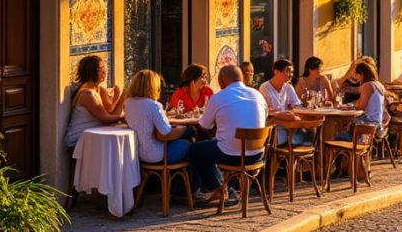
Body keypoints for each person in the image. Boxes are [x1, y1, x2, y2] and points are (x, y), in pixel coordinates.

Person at [191, 64, 267, 206]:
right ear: (242, 78)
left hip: (231, 155)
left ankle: (219, 188)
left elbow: (204, 125)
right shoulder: (258, 95)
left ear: (221, 81)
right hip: (257, 155)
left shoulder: (219, 97)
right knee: (214, 146)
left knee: (196, 150)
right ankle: (224, 188)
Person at [125, 69, 197, 188]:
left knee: (187, 142)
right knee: (190, 143)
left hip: (139, 153)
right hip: (156, 154)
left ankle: (176, 187)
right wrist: (184, 129)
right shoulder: (153, 105)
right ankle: (190, 189)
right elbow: (166, 132)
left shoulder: (128, 103)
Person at [65, 55, 125, 147]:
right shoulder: (87, 94)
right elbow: (105, 118)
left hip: (92, 137)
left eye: (105, 68)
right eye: (101, 69)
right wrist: (122, 117)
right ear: (91, 71)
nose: (105, 72)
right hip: (78, 140)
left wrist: (119, 97)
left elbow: (110, 111)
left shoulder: (98, 89)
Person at [259, 58, 309, 146]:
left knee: (310, 134)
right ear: (276, 72)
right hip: (273, 130)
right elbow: (268, 113)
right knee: (303, 137)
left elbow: (297, 106)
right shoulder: (265, 88)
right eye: (288, 71)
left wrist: (304, 103)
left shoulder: (288, 87)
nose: (291, 75)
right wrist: (288, 114)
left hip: (289, 126)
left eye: (292, 72)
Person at [335, 60, 387, 141]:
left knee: (336, 134)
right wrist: (353, 105)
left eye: (356, 74)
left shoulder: (367, 85)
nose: (355, 78)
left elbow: (361, 107)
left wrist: (350, 108)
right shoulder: (379, 85)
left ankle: (342, 150)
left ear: (362, 74)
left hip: (367, 125)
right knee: (345, 128)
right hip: (377, 125)